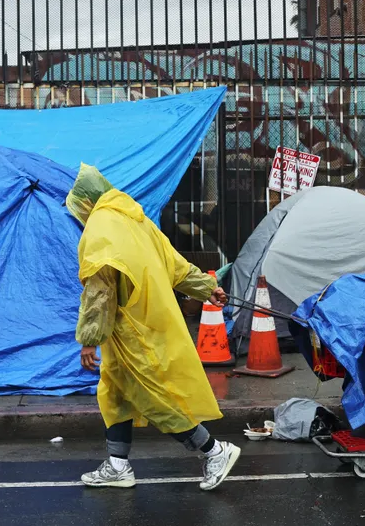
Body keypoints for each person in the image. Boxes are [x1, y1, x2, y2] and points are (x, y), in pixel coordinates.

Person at [67, 163, 241, 492]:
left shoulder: (99, 230)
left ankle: (214, 451)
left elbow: (99, 292)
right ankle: (118, 466)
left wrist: (89, 340)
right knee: (114, 394)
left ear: (86, 202)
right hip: (144, 324)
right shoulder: (136, 219)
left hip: (134, 332)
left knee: (157, 399)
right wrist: (206, 287)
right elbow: (174, 263)